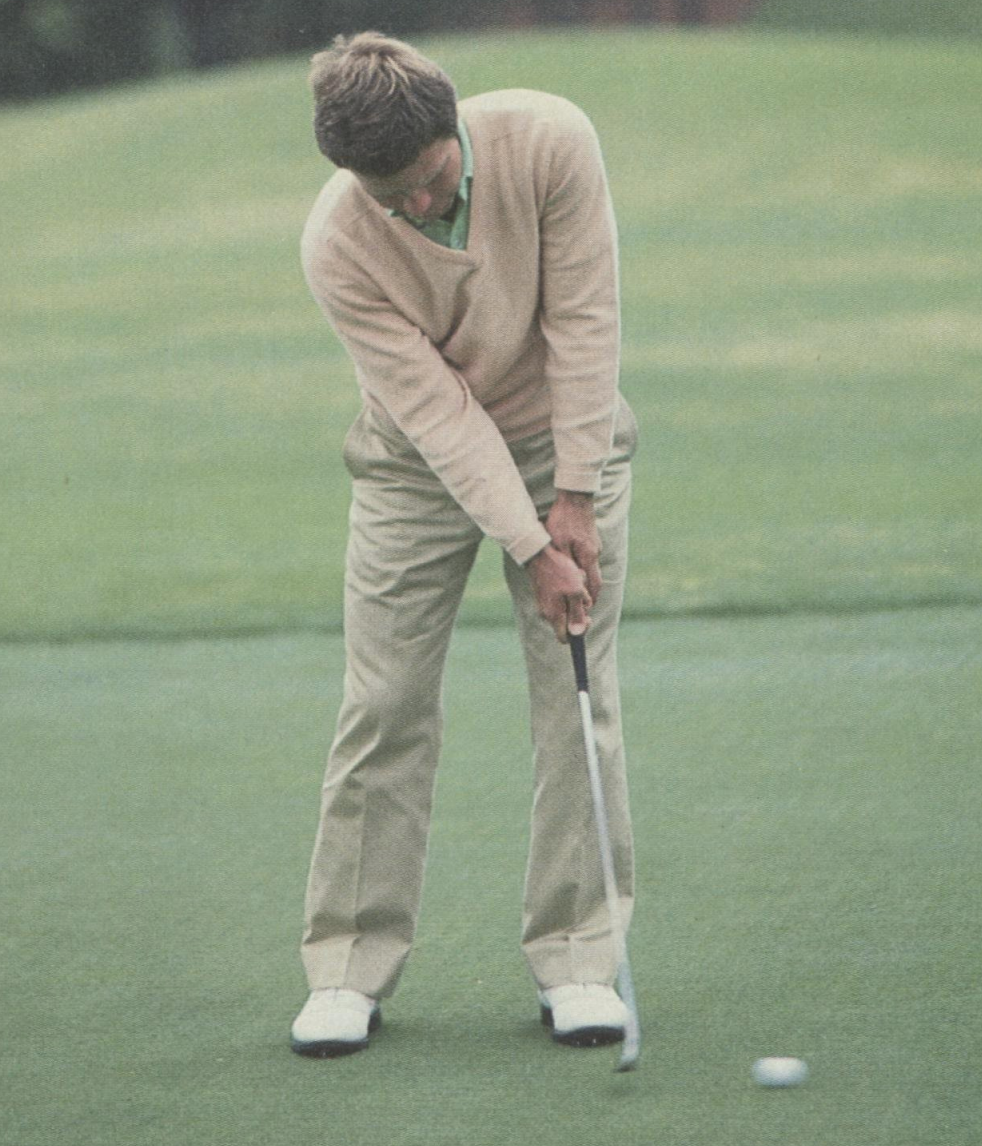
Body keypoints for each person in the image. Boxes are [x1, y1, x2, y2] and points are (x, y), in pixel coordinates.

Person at [291, 31, 638, 1058]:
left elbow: (584, 318)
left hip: (566, 439)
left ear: (453, 129)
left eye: (423, 180)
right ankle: (348, 965)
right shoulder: (338, 241)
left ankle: (579, 959)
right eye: (380, 191)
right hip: (414, 468)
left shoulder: (548, 141)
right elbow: (438, 417)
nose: (408, 206)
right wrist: (531, 546)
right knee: (385, 699)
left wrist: (571, 498)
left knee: (574, 687)